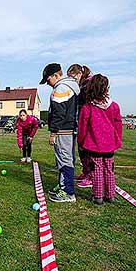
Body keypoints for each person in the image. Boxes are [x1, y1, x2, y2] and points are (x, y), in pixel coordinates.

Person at [77, 74, 122, 205]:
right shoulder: (114, 106)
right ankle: (110, 195)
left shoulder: (87, 108)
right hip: (109, 145)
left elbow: (82, 128)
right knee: (109, 169)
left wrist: (80, 142)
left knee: (96, 170)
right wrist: (117, 140)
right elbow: (118, 125)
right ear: (106, 88)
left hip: (94, 145)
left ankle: (98, 196)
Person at [40, 63, 80, 202]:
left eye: (48, 80)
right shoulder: (70, 86)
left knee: (64, 160)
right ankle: (63, 185)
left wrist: (53, 133)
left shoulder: (61, 88)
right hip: (68, 130)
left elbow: (59, 113)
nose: (48, 83)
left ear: (56, 75)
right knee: (66, 159)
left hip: (63, 131)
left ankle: (67, 192)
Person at [67, 64, 93, 188]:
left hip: (88, 122)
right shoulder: (81, 85)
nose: (72, 81)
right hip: (80, 121)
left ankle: (91, 176)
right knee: (81, 148)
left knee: (88, 149)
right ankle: (85, 172)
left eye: (72, 78)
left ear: (79, 74)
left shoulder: (89, 85)